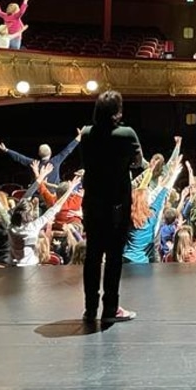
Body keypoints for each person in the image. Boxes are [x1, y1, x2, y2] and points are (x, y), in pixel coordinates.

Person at [79, 90, 145, 324]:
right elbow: (139, 164)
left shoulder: (86, 133)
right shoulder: (126, 134)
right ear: (118, 111)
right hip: (116, 203)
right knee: (114, 257)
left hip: (92, 203)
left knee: (93, 256)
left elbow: (85, 162)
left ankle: (90, 308)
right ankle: (111, 308)